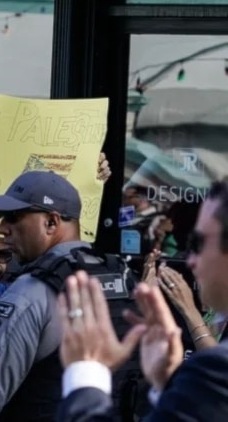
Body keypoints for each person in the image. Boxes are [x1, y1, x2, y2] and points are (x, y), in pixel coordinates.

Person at [0, 171, 126, 422]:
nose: (3, 229)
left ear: (51, 222)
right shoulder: (125, 280)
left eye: (13, 217)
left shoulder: (31, 292)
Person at [56, 180, 228, 420]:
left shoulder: (217, 370)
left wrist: (87, 371)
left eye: (197, 244)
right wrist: (166, 382)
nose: (190, 261)